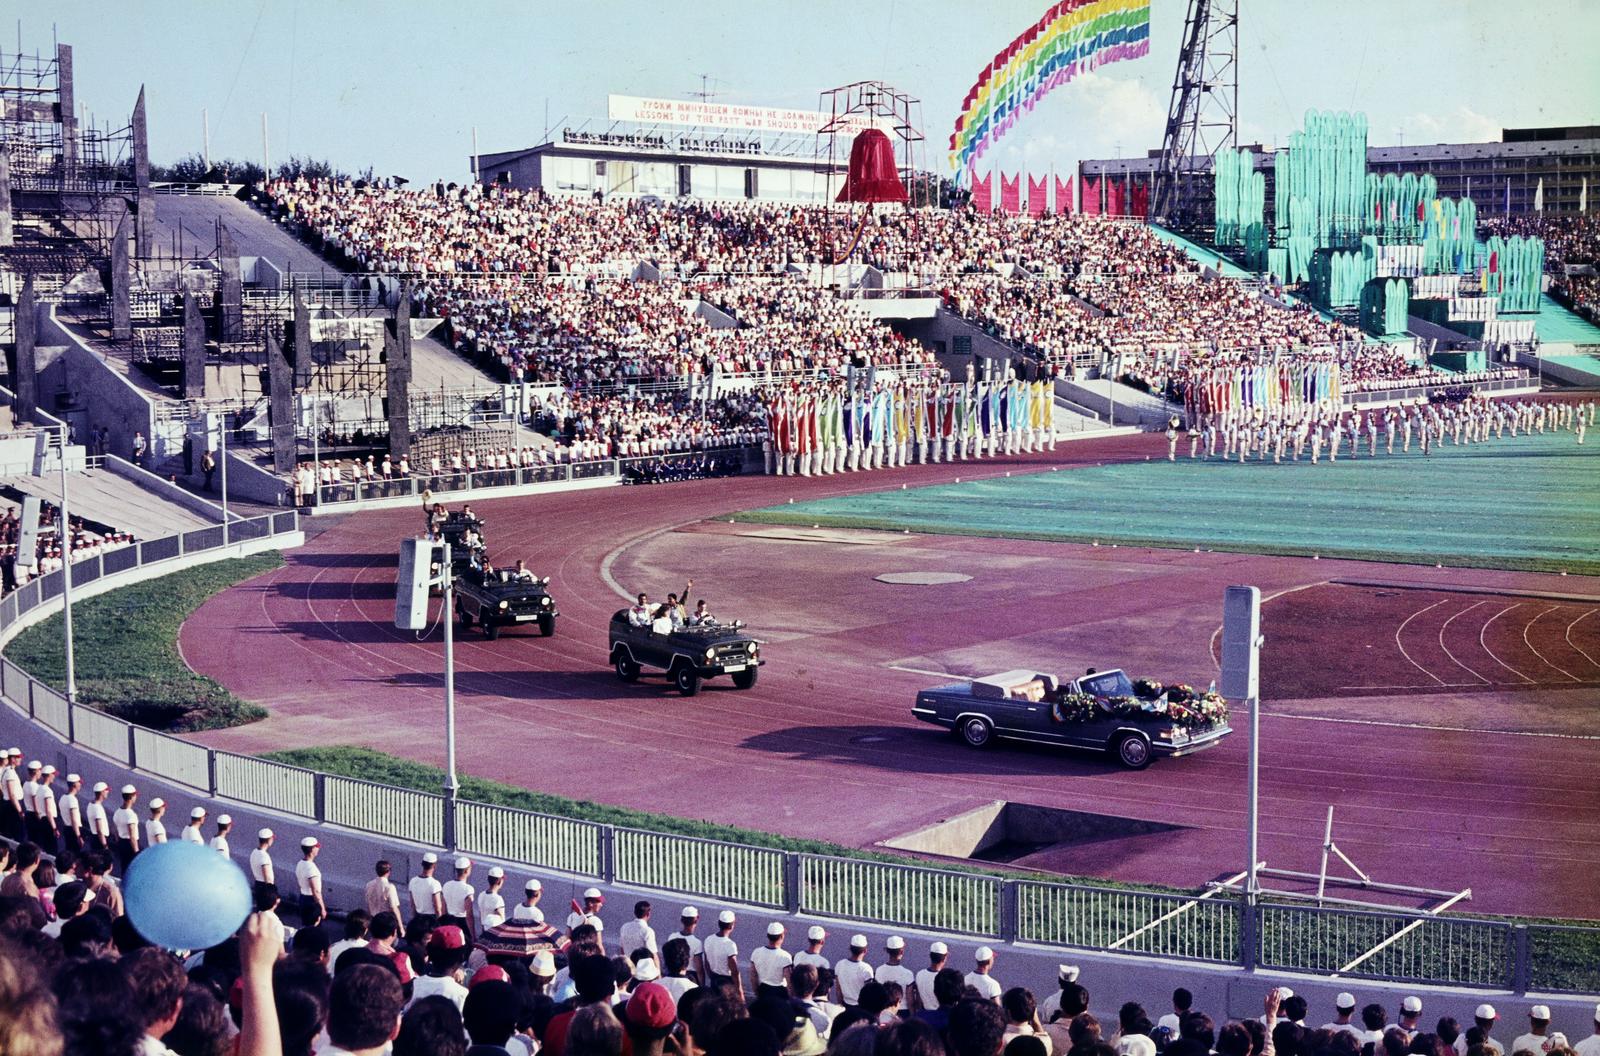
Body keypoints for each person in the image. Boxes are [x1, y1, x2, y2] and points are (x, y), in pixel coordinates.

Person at [703, 909, 742, 999]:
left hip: (714, 980)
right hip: (727, 983)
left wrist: (712, 977)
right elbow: (734, 971)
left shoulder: (708, 939)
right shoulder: (730, 945)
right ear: (732, 925)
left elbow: (706, 963)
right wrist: (739, 991)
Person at [749, 922, 792, 1000]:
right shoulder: (785, 957)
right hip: (780, 993)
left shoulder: (756, 952)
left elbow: (753, 976)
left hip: (763, 990)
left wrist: (757, 992)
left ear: (768, 936)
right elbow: (789, 981)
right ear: (782, 936)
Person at [833, 934, 874, 1010]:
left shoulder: (840, 964)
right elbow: (868, 994)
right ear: (865, 950)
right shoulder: (866, 968)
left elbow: (838, 990)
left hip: (845, 1005)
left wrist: (840, 1006)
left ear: (850, 949)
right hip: (861, 1008)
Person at [441, 856, 477, 935]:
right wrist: (472, 934)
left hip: (449, 921)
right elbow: (469, 915)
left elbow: (443, 909)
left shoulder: (446, 885)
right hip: (462, 923)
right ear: (467, 870)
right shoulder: (468, 889)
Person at [295, 837, 325, 928]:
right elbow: (316, 891)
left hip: (303, 897)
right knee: (314, 927)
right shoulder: (312, 869)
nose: (318, 849)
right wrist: (322, 908)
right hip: (311, 901)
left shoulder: (300, 863)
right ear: (312, 849)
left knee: (305, 925)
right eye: (317, 847)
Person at [112, 784, 142, 872]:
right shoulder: (131, 815)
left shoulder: (118, 812)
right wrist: (136, 852)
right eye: (135, 795)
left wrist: (118, 841)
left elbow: (114, 829)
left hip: (121, 842)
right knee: (132, 869)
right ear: (132, 797)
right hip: (130, 845)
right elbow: (132, 836)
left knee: (124, 866)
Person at [409, 852, 445, 919]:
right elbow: (437, 908)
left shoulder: (413, 881)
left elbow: (412, 905)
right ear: (434, 866)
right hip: (431, 919)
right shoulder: (435, 884)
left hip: (418, 917)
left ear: (422, 864)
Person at [250, 828, 277, 901]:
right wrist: (272, 893)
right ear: (269, 840)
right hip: (265, 887)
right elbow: (267, 878)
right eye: (272, 838)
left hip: (258, 884)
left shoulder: (254, 852)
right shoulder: (264, 856)